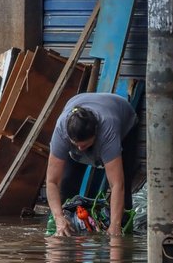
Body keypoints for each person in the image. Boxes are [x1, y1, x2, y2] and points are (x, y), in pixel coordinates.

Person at [45, 92, 138, 237]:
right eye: (77, 145)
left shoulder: (107, 132)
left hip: (124, 120)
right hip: (79, 116)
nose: (81, 149)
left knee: (123, 185)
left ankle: (122, 231)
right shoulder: (61, 132)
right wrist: (58, 218)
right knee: (67, 183)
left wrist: (115, 225)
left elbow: (117, 184)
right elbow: (51, 181)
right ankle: (64, 228)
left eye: (85, 145)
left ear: (95, 134)